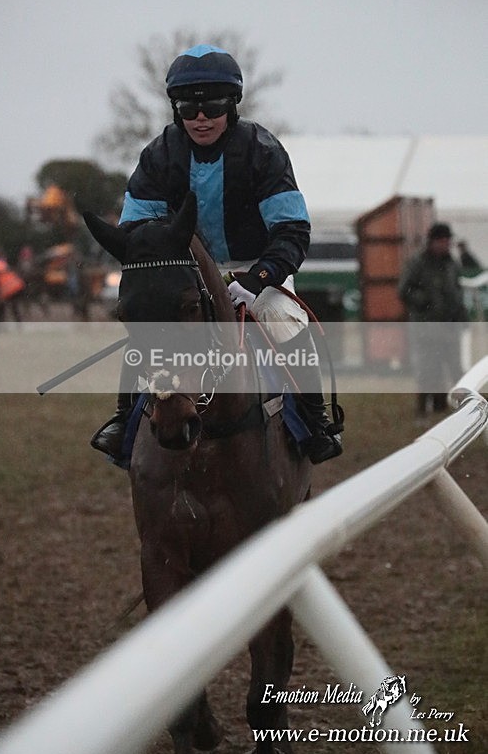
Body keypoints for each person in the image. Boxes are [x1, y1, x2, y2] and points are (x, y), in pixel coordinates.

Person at [92, 44, 342, 464]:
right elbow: (135, 230)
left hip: (256, 270)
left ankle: (315, 422)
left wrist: (259, 279)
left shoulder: (262, 150)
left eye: (211, 105)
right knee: (151, 327)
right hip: (184, 272)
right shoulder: (158, 155)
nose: (201, 117)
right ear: (176, 110)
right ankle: (123, 420)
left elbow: (292, 230)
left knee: (283, 321)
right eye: (189, 108)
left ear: (232, 105)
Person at [398, 222, 468, 419]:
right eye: (442, 241)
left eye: (448, 241)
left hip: (449, 326)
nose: (446, 244)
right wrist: (425, 302)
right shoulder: (417, 263)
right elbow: (404, 290)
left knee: (454, 367)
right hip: (426, 327)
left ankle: (447, 408)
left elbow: (457, 292)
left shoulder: (451, 263)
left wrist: (461, 317)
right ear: (433, 241)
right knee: (427, 369)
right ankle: (422, 410)